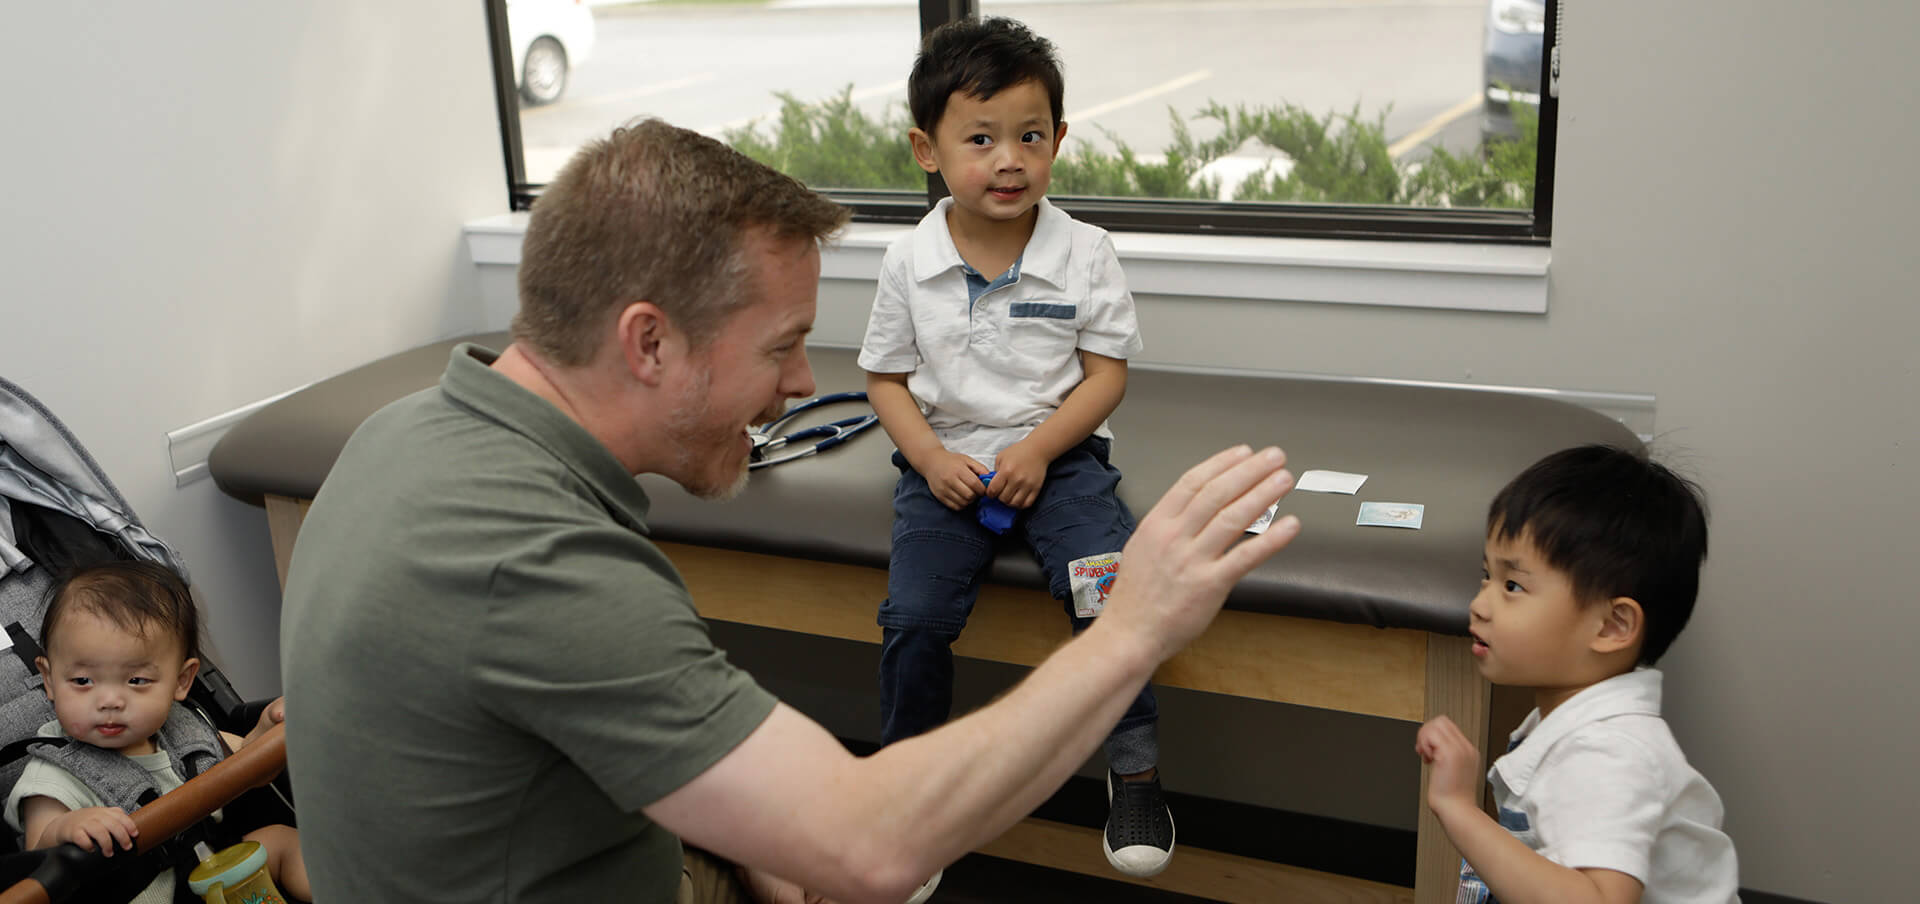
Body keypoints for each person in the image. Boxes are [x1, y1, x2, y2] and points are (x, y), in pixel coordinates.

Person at [279, 117, 1303, 904]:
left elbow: (557, 736)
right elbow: (873, 848)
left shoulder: (408, 435)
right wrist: (1132, 629)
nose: (805, 383)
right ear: (649, 343)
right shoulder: (534, 565)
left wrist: (739, 843)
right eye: (781, 345)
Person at [856, 16, 1171, 887]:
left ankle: (1136, 773)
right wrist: (930, 461)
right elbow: (885, 381)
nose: (1009, 161)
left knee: (1109, 595)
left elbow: (1105, 378)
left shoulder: (1086, 252)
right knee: (914, 620)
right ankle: (908, 802)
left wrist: (1037, 450)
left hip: (1060, 459)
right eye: (981, 139)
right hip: (946, 465)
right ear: (926, 150)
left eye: (1030, 137)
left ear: (1058, 140)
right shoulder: (907, 261)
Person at [1415, 445, 1739, 904]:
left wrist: (1457, 808)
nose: (1479, 604)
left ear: (1611, 626)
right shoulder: (1574, 723)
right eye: (1486, 576)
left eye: (1513, 585)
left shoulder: (1608, 753)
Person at [7, 561, 309, 904]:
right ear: (48, 680)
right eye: (82, 680)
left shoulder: (184, 728)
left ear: (181, 681)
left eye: (136, 680)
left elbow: (244, 767)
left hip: (208, 874)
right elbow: (37, 863)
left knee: (280, 840)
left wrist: (265, 733)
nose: (109, 701)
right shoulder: (52, 778)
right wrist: (67, 830)